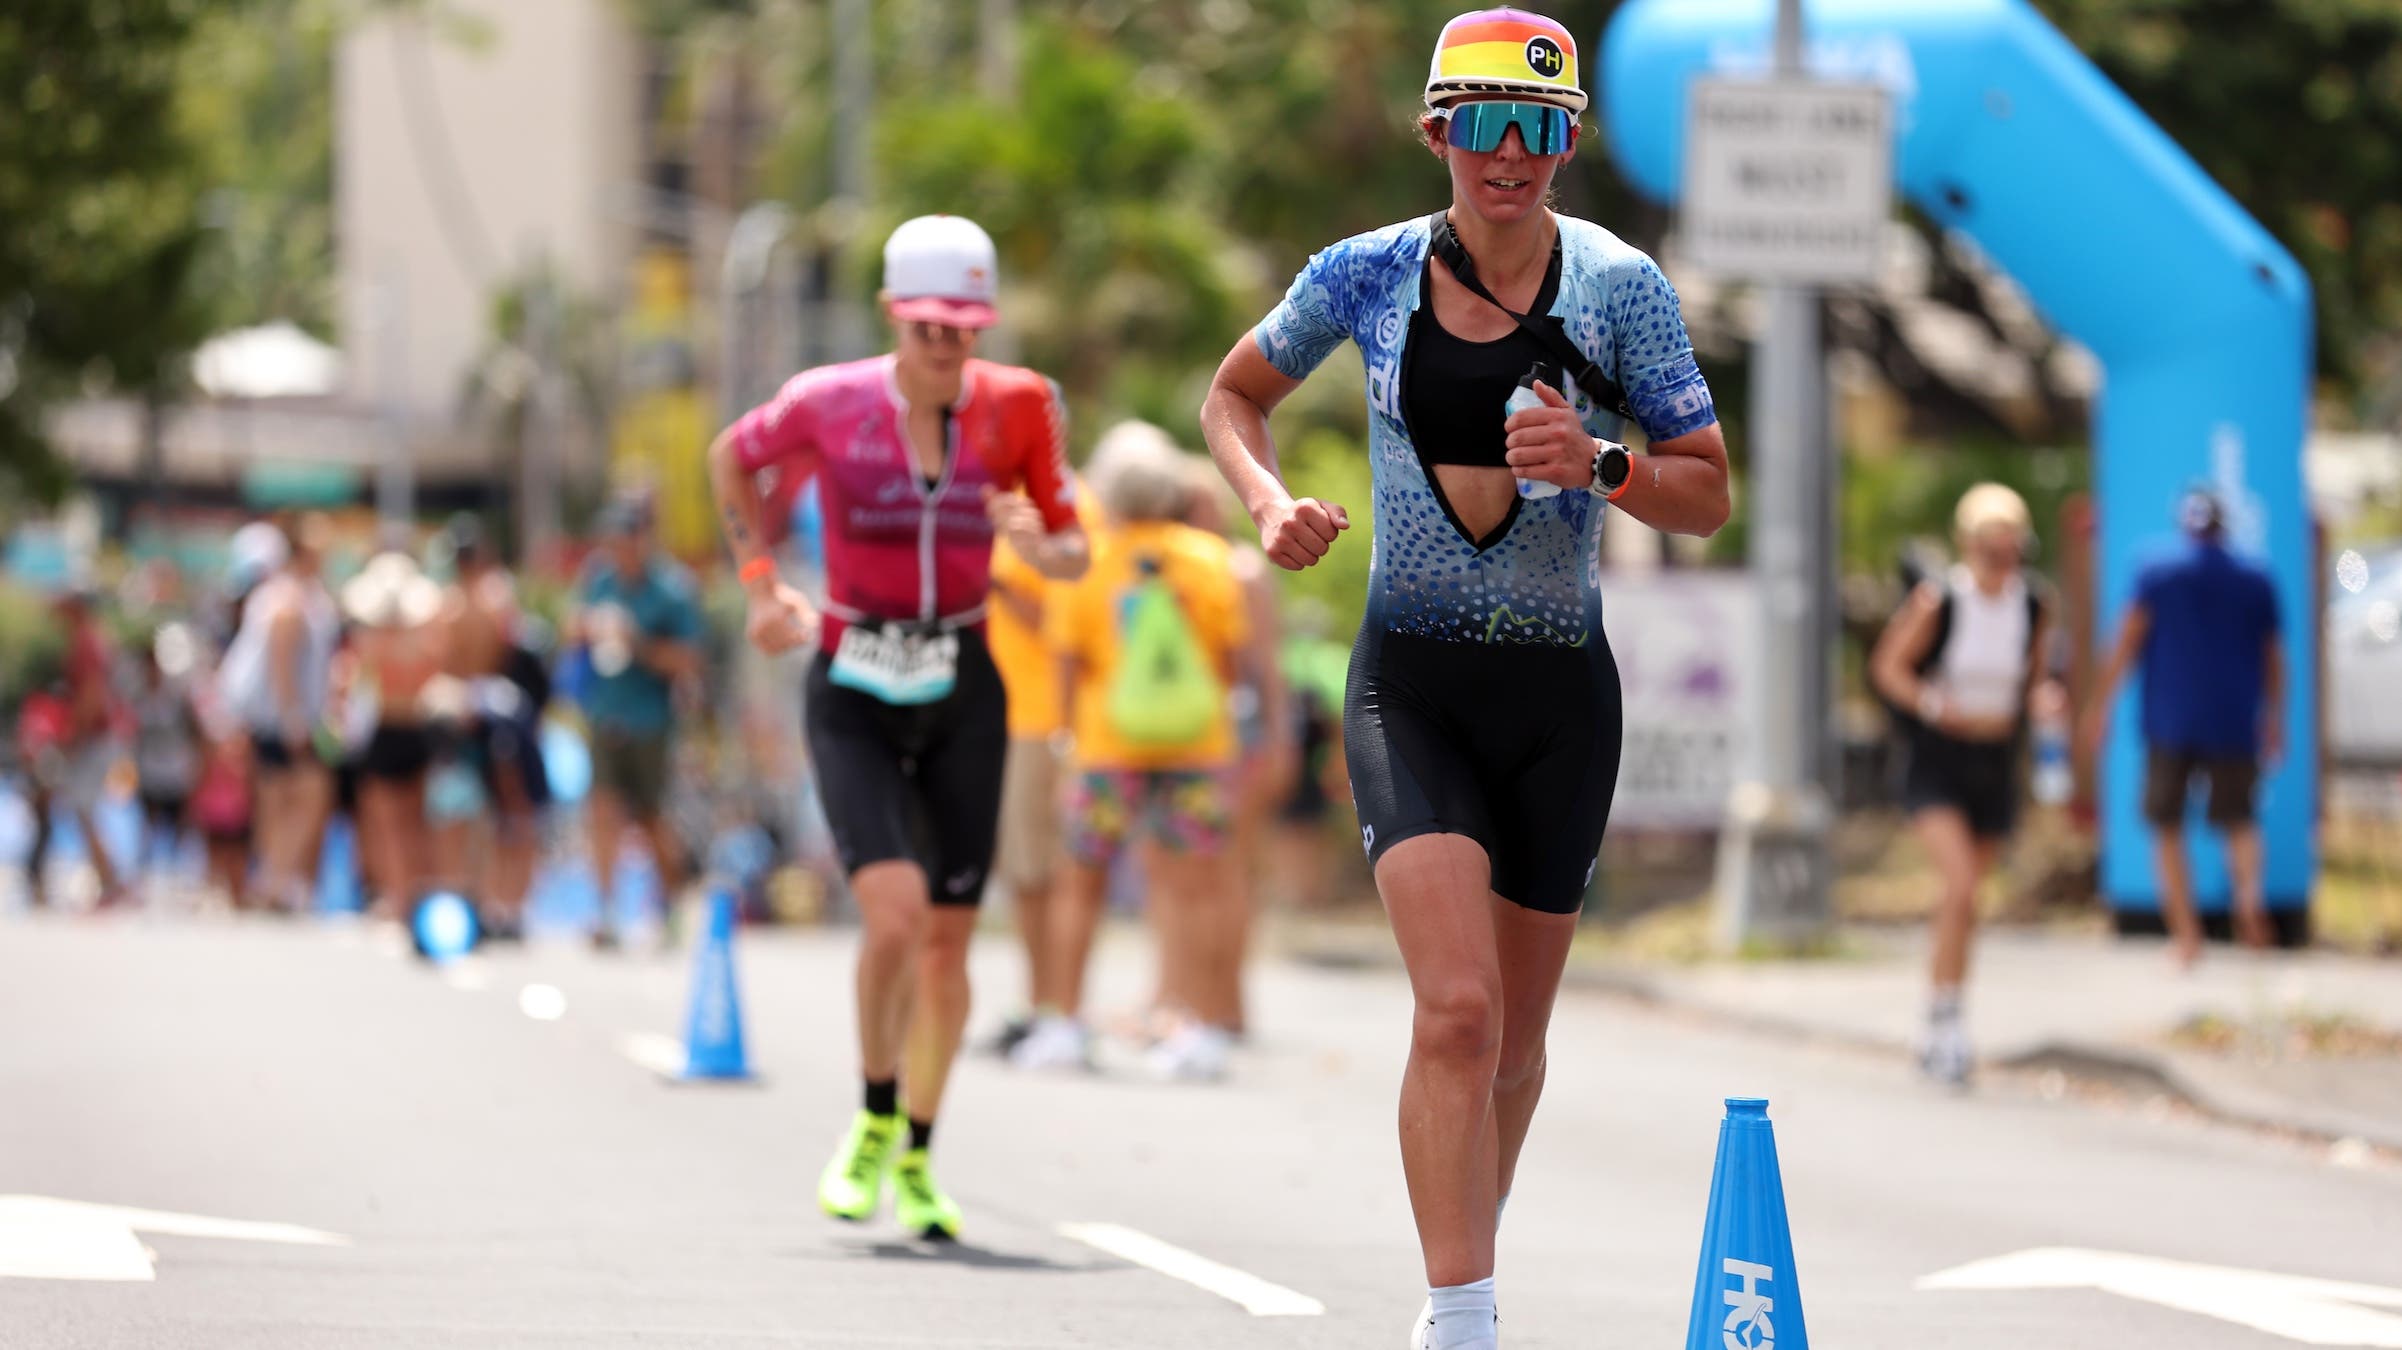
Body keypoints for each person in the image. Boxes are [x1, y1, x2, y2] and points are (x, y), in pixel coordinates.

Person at [1198, 11, 1729, 1345]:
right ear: (1436, 131)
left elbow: (1707, 491)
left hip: (1559, 698)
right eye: (1481, 124)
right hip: (1411, 683)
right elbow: (1231, 396)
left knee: (1514, 1046)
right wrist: (1263, 503)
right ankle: (1461, 1314)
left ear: (1565, 143)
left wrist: (1599, 466)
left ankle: (1465, 1270)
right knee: (1455, 1008)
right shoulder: (1366, 274)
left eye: (1537, 128)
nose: (1508, 155)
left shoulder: (1618, 287)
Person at [706, 214, 1087, 1239]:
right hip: (854, 676)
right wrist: (759, 587)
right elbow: (727, 459)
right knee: (892, 916)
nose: (945, 350)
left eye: (963, 330)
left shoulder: (1018, 406)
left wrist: (1036, 542)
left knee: (950, 947)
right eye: (926, 329)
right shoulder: (829, 402)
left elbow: (1072, 553)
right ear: (891, 318)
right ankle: (872, 1115)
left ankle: (917, 1149)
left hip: (963, 676)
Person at [1017, 425, 1248, 1081]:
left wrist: (1065, 741)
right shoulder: (1208, 558)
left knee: (1079, 886)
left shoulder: (1087, 560)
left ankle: (1063, 1024)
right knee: (1198, 887)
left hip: (1105, 750)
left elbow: (1068, 665)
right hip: (1195, 749)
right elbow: (1226, 665)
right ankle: (1201, 1032)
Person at [1869, 483, 2052, 1087]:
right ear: (1971, 547)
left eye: (2012, 551)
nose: (2003, 563)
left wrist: (2046, 704)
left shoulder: (2033, 605)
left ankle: (1944, 1010)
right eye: (1992, 550)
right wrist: (1930, 703)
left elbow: (2032, 678)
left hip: (1995, 757)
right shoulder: (1941, 599)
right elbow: (1888, 667)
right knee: (1961, 884)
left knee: (1967, 902)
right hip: (1940, 756)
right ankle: (1944, 1025)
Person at [2082, 488, 2283, 962]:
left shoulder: (2156, 569)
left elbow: (2128, 639)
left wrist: (2100, 704)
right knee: (2240, 819)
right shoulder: (2255, 576)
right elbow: (2274, 656)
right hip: (2234, 717)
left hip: (2169, 718)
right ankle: (2249, 896)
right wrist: (2274, 716)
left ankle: (2186, 935)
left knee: (2167, 826)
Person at [1181, 452, 1294, 1039]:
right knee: (1207, 876)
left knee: (1228, 875)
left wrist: (1280, 738)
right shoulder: (1185, 570)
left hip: (1239, 735)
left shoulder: (1239, 568)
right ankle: (1202, 1001)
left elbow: (1266, 669)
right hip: (1201, 735)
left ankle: (1226, 1006)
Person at [984, 477, 1092, 1060]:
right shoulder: (1013, 503)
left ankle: (1053, 1007)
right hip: (1008, 711)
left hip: (1043, 715)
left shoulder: (1070, 509)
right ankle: (1038, 1004)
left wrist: (995, 578)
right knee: (1024, 870)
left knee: (1042, 870)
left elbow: (1064, 620)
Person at [570, 496, 704, 950]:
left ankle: (669, 903)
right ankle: (606, 912)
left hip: (651, 720)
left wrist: (639, 644)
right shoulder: (599, 580)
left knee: (653, 819)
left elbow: (688, 660)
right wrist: (585, 631)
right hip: (605, 713)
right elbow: (574, 632)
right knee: (602, 813)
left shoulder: (672, 589)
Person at [435, 515, 551, 940]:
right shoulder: (490, 600)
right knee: (491, 815)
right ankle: (490, 902)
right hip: (483, 721)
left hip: (481, 720)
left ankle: (493, 901)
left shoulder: (464, 604)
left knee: (498, 815)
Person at [217, 514, 340, 912]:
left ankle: (274, 879)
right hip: (284, 718)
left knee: (278, 802)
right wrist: (293, 719)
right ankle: (275, 879)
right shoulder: (289, 599)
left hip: (277, 717)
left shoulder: (290, 593)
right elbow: (282, 662)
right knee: (306, 796)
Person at [56, 586, 129, 908]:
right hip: (101, 736)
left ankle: (111, 881)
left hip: (93, 738)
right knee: (84, 810)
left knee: (83, 810)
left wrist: (75, 736)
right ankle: (109, 879)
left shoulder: (85, 641)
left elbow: (91, 693)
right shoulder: (97, 638)